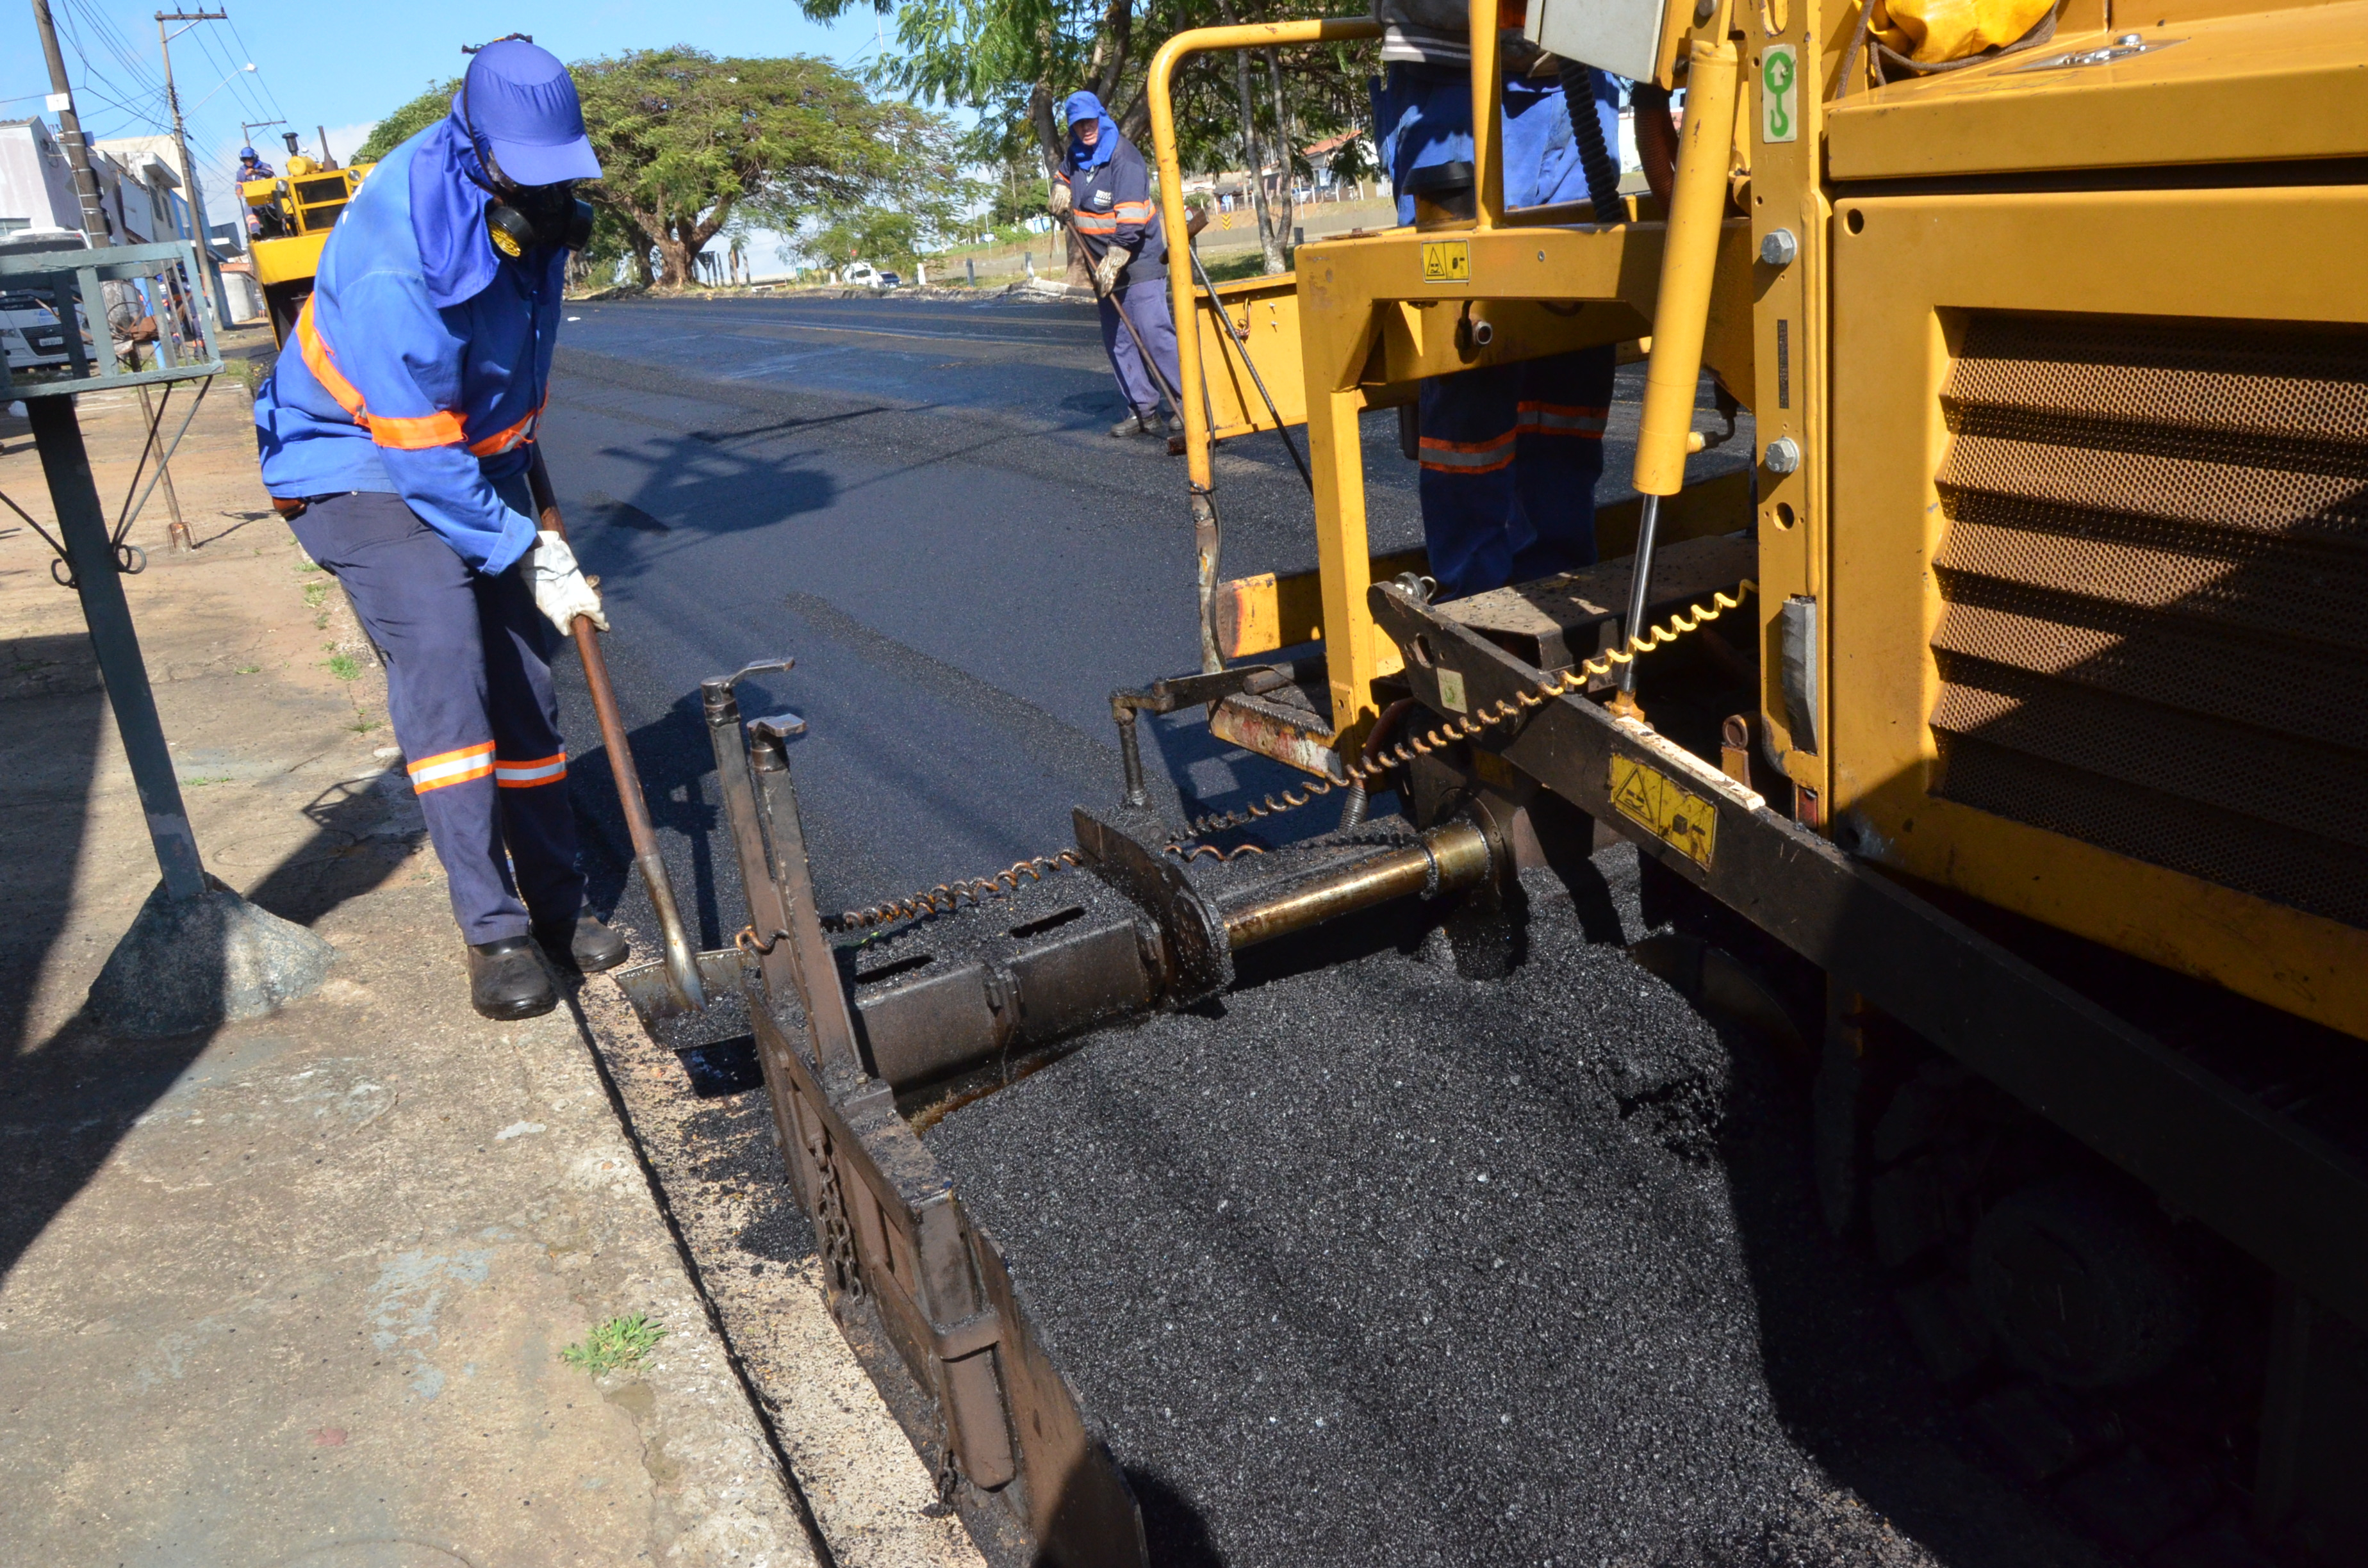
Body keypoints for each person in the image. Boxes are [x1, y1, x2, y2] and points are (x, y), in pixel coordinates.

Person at [252, 36, 624, 1021]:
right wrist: (527, 554)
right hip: (356, 465)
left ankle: (557, 906)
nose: (547, 194)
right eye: (527, 175)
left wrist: (531, 531)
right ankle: (494, 933)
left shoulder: (530, 214)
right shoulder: (398, 254)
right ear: (474, 142)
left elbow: (500, 391)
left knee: (528, 685)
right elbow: (416, 450)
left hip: (466, 459)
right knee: (448, 662)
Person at [1375, 0, 1625, 599]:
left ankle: (1559, 574)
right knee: (1469, 351)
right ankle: (1473, 595)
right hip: (1454, 91)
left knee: (1574, 342)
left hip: (1581, 85)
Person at [1048, 91, 1183, 439]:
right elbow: (1065, 176)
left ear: (1101, 117)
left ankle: (1188, 405)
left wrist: (1116, 257)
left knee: (1153, 332)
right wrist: (1060, 187)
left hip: (1137, 258)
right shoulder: (1076, 156)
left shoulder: (1125, 158)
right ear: (1072, 128)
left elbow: (1132, 220)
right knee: (1119, 339)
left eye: (1090, 120)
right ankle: (1142, 411)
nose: (1086, 128)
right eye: (1078, 124)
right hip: (1100, 263)